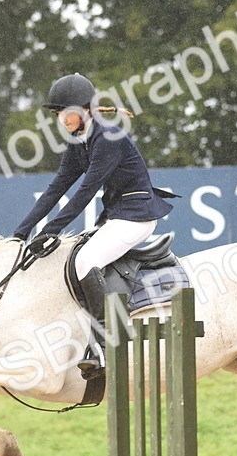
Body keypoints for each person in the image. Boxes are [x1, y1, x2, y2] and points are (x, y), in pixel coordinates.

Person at [13, 73, 174, 379]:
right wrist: (22, 230)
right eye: (57, 113)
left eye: (64, 111)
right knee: (72, 258)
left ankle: (105, 342)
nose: (60, 118)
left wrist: (52, 230)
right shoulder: (79, 141)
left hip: (137, 215)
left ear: (85, 109)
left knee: (86, 261)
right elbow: (57, 188)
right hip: (117, 214)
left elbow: (86, 190)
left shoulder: (108, 136)